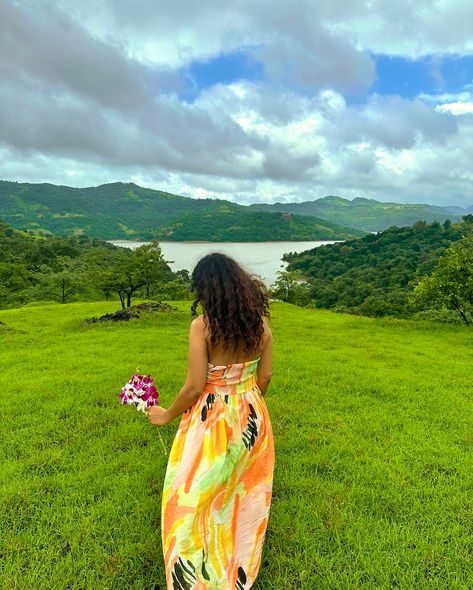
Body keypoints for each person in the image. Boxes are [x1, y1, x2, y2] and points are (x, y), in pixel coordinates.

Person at [146, 252, 275, 589]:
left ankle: (195, 574)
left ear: (206, 290)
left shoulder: (202, 327)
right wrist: (247, 399)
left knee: (192, 493)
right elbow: (266, 377)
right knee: (240, 492)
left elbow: (193, 387)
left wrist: (166, 414)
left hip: (211, 419)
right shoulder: (261, 326)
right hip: (252, 415)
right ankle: (236, 566)